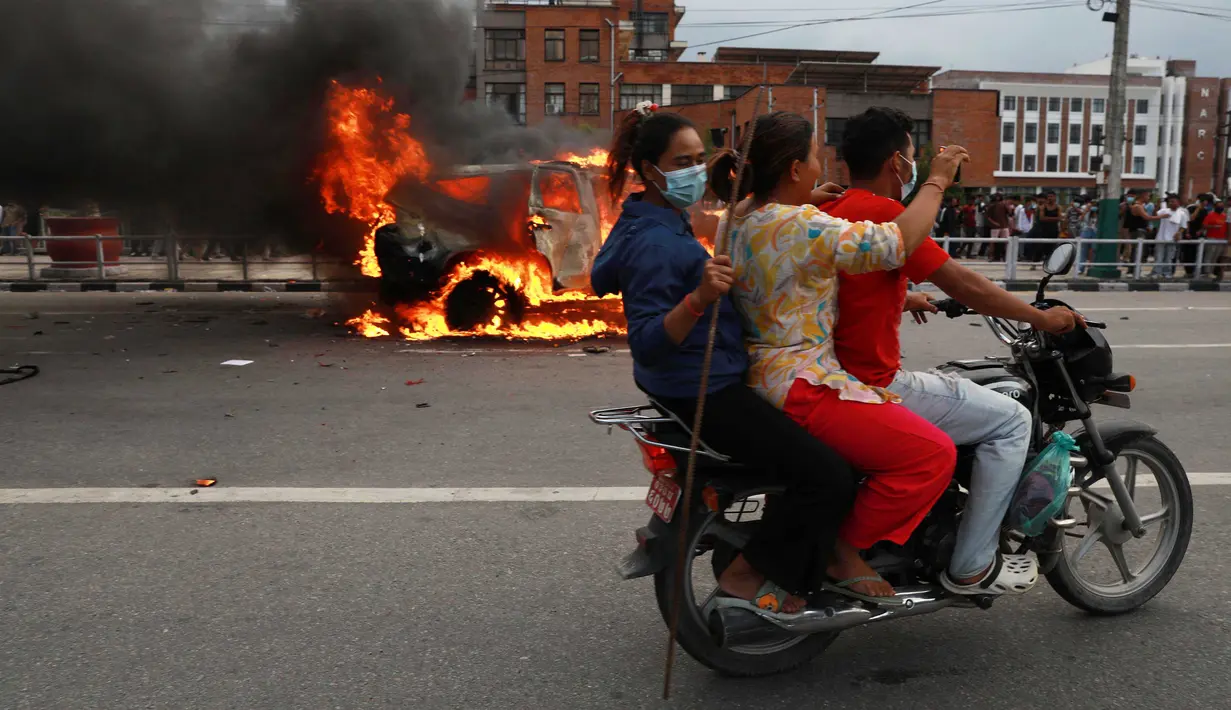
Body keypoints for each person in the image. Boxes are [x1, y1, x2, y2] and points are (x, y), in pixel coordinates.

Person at [590, 108, 859, 613]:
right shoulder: (656, 242)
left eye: (698, 158)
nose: (695, 172)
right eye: (681, 162)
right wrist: (697, 298)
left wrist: (800, 200)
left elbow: (603, 275)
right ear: (651, 170)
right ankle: (752, 575)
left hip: (677, 385)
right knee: (828, 475)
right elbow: (649, 339)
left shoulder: (641, 219)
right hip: (707, 389)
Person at [824, 107, 1081, 596]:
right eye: (913, 157)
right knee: (1010, 420)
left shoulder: (829, 210)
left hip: (828, 375)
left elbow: (844, 289)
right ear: (898, 163)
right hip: (871, 382)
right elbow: (964, 282)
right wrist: (1044, 318)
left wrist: (905, 297)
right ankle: (972, 563)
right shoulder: (887, 214)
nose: (917, 167)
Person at [709, 110, 964, 600]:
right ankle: (839, 549)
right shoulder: (801, 224)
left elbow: (796, 277)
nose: (818, 168)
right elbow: (895, 244)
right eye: (811, 159)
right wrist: (936, 180)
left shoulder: (737, 221)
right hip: (803, 380)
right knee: (931, 455)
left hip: (761, 374)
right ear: (792, 170)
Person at [1151, 194, 1187, 278]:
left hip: (1172, 239)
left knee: (1169, 258)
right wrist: (1157, 205)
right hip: (1161, 238)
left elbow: (1183, 227)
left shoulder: (1182, 214)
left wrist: (1179, 233)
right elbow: (1154, 215)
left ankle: (1167, 273)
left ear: (1178, 203)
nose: (1170, 203)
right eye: (1169, 202)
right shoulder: (1164, 211)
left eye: (1173, 201)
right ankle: (1156, 273)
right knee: (1159, 257)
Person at [1030, 191, 1062, 268]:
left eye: (1052, 196)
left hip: (1054, 230)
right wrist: (1055, 219)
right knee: (1039, 247)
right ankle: (1034, 264)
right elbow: (1042, 218)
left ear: (1055, 197)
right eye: (1049, 196)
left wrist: (1049, 219)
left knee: (1051, 248)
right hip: (1043, 230)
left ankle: (1050, 264)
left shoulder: (1058, 207)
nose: (1050, 198)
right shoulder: (1043, 207)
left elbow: (1060, 218)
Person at [1203, 199, 1227, 279]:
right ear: (1215, 207)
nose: (1221, 207)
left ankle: (1211, 272)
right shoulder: (1210, 215)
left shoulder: (1224, 216)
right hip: (1211, 237)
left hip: (1221, 239)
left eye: (1222, 206)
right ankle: (1206, 272)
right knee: (1209, 255)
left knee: (1216, 256)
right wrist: (1213, 227)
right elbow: (1204, 226)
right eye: (1219, 206)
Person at [986, 193, 1010, 262]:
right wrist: (994, 223)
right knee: (993, 242)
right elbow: (988, 217)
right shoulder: (992, 205)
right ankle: (991, 256)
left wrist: (1007, 206)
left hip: (1004, 226)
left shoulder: (1004, 205)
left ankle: (1005, 256)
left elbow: (1010, 213)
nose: (998, 198)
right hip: (995, 227)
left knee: (1006, 242)